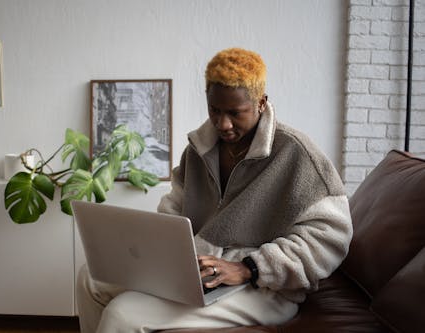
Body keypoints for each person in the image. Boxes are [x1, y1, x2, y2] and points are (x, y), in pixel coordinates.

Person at [76, 47, 353, 332]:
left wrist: (249, 268)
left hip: (264, 289)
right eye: (215, 110)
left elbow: (330, 238)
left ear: (261, 102)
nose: (223, 124)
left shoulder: (296, 155)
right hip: (197, 272)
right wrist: (159, 256)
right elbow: (173, 208)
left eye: (235, 113)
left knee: (123, 315)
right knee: (90, 278)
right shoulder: (197, 152)